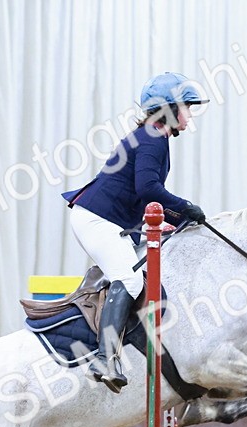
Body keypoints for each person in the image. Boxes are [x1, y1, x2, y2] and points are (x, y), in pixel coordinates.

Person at [61, 72, 209, 393]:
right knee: (128, 280)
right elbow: (149, 189)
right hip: (98, 220)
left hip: (109, 220)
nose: (190, 114)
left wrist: (173, 219)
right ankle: (104, 357)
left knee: (140, 281)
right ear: (169, 109)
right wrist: (185, 207)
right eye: (186, 107)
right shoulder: (153, 138)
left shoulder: (154, 136)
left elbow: (144, 196)